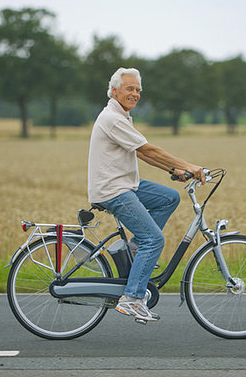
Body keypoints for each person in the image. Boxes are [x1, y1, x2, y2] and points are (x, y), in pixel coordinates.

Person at [88, 67, 205, 322]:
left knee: (169, 197)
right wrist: (189, 166)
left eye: (139, 90)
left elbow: (140, 153)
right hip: (114, 190)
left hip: (126, 184)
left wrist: (174, 169)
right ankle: (132, 298)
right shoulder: (112, 118)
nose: (135, 94)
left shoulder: (121, 116)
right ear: (115, 90)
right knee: (154, 239)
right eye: (130, 88)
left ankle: (134, 251)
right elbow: (148, 150)